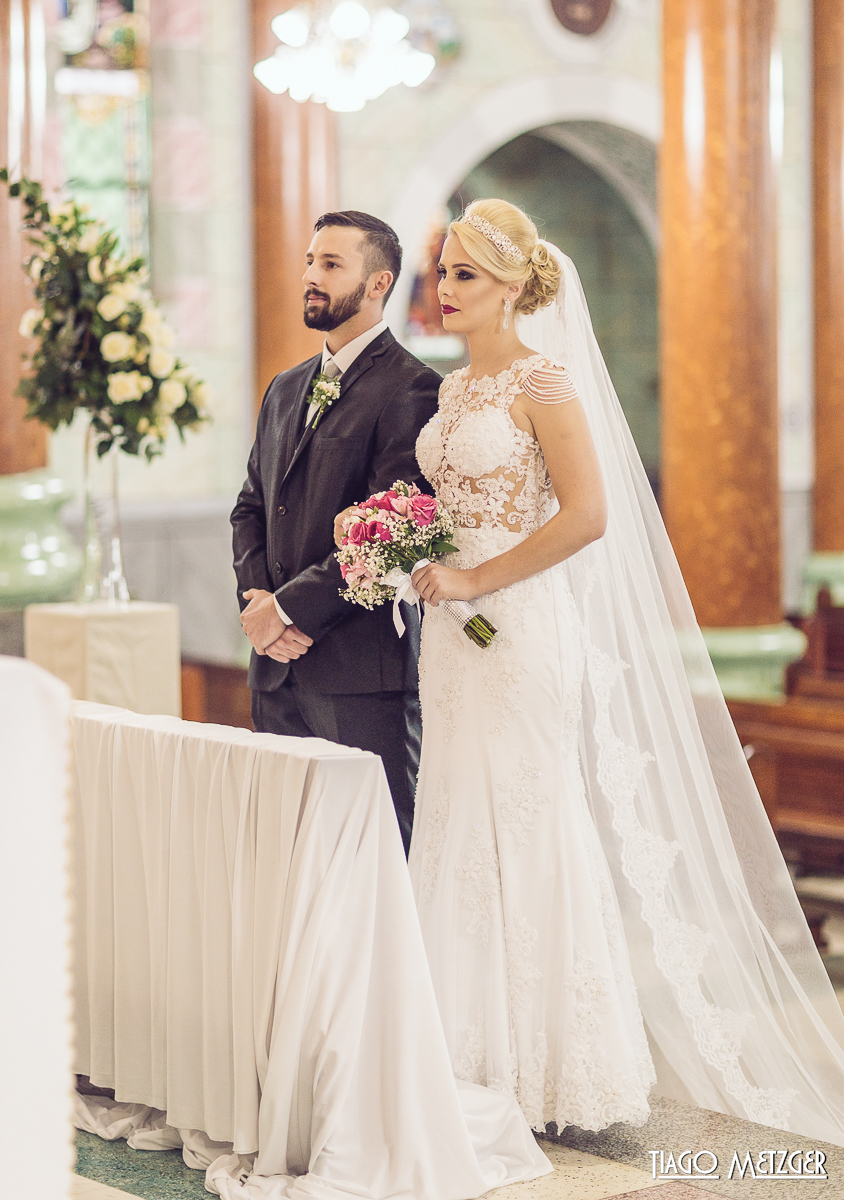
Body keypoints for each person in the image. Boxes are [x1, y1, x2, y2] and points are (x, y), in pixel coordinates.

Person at [407, 198, 844, 1145]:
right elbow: (458, 504)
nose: (444, 290)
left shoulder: (545, 382)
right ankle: (457, 1054)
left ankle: (549, 1068)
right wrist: (414, 555)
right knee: (453, 817)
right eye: (442, 272)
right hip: (452, 638)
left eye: (464, 275)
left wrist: (480, 573)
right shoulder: (450, 394)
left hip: (518, 628)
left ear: (515, 284)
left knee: (525, 816)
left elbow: (591, 514)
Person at [232, 211, 441, 853]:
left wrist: (291, 611)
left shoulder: (414, 389)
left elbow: (397, 531)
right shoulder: (284, 387)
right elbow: (250, 507)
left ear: (378, 284)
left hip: (360, 673)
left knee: (375, 849)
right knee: (287, 848)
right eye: (309, 262)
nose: (310, 277)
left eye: (330, 265)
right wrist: (258, 606)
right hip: (275, 669)